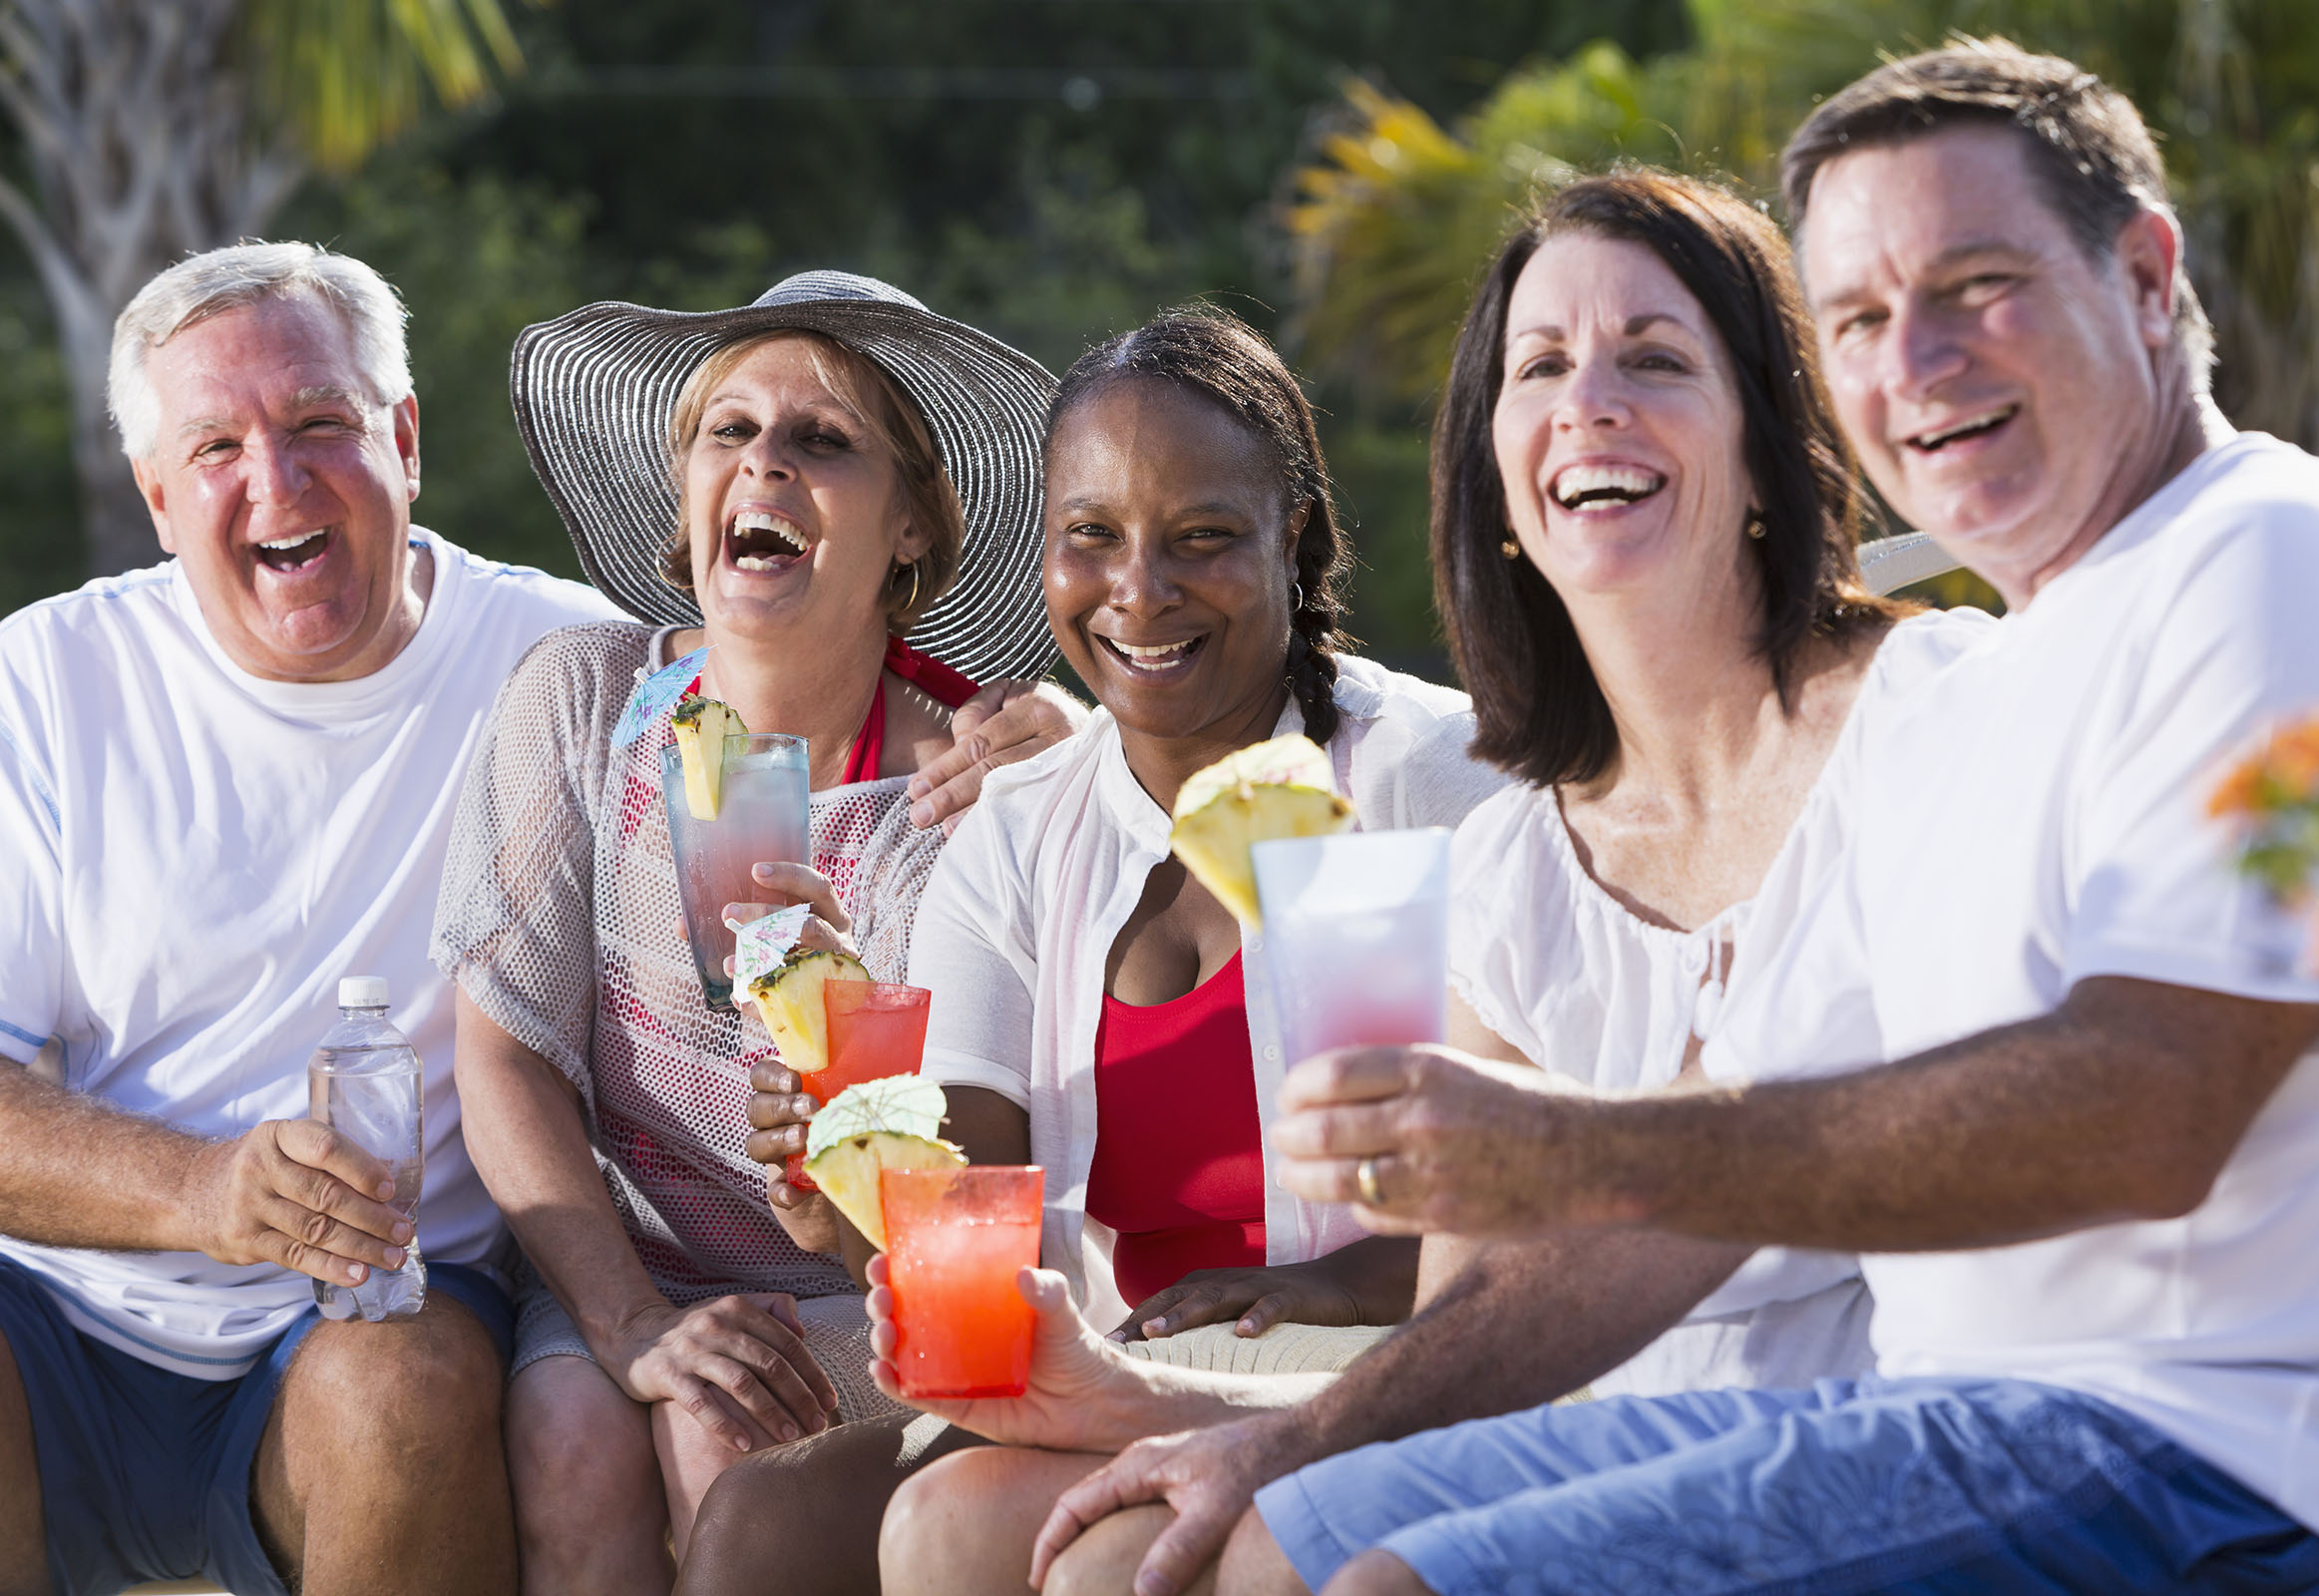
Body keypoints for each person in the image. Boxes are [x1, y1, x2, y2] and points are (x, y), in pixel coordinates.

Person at [1208, 40, 2319, 1593]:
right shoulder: (1962, 704)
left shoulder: (2284, 555)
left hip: (2227, 1458)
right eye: (1861, 319)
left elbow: (2155, 1104)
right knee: (1275, 1546)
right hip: (1965, 1424)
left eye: (1976, 284)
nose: (1919, 361)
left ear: (2147, 273)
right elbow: (1682, 1193)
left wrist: (1567, 1144)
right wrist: (1282, 1436)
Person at [867, 171, 1984, 1596]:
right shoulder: (1530, 854)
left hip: (1864, 1422)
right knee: (1028, 1541)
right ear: (1497, 474)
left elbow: (1527, 1274)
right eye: (1541, 367)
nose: (1590, 405)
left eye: (1655, 359)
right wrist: (1160, 1408)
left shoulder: (1453, 792)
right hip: (1512, 1413)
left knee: (1280, 1566)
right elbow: (1480, 1328)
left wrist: (1277, 1372)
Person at [673, 307, 1511, 1594]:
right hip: (1116, 1365)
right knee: (763, 1530)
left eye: (1204, 539)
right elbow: (968, 1244)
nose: (1141, 590)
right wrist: (847, 1149)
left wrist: (1346, 1279)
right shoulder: (1018, 836)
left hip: (1384, 1353)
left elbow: (1526, 1191)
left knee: (959, 1532)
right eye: (1094, 538)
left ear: (1299, 538)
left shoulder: (1409, 785)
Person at [0, 240, 631, 1595]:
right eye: (214, 445)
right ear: (156, 495)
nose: (274, 483)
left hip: (369, 1325)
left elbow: (803, 758)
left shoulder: (568, 665)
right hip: (56, 1323)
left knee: (399, 1389)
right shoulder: (42, 681)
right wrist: (207, 1189)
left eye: (319, 424)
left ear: (405, 437)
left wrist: (1011, 731)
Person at [433, 270, 1075, 1595]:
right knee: (568, 1432)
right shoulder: (589, 702)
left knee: (724, 1433)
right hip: (621, 1266)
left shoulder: (965, 794)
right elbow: (501, 1056)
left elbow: (948, 1220)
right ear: (688, 494)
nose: (764, 461)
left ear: (908, 528)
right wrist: (621, 1326)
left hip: (875, 1291)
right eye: (729, 430)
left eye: (822, 441)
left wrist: (1081, 775)